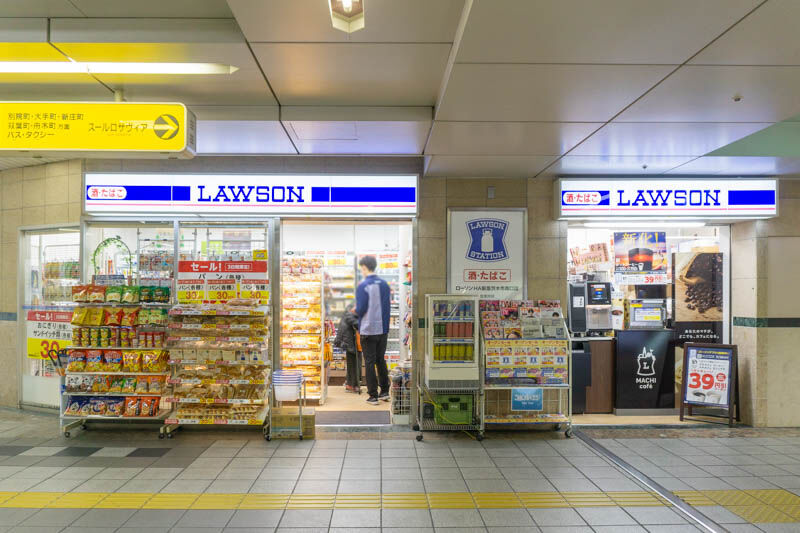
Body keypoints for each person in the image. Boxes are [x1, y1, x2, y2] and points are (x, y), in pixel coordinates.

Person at [355, 254, 391, 405]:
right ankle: (384, 391)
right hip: (382, 329)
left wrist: (357, 322)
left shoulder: (363, 285)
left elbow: (361, 309)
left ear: (364, 268)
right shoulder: (384, 284)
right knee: (380, 360)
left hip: (368, 329)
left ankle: (373, 395)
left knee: (369, 362)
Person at [333, 303, 361, 393]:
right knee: (353, 364)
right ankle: (351, 385)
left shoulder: (349, 313)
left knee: (354, 364)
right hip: (350, 343)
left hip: (352, 342)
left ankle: (352, 384)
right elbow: (357, 324)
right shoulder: (349, 314)